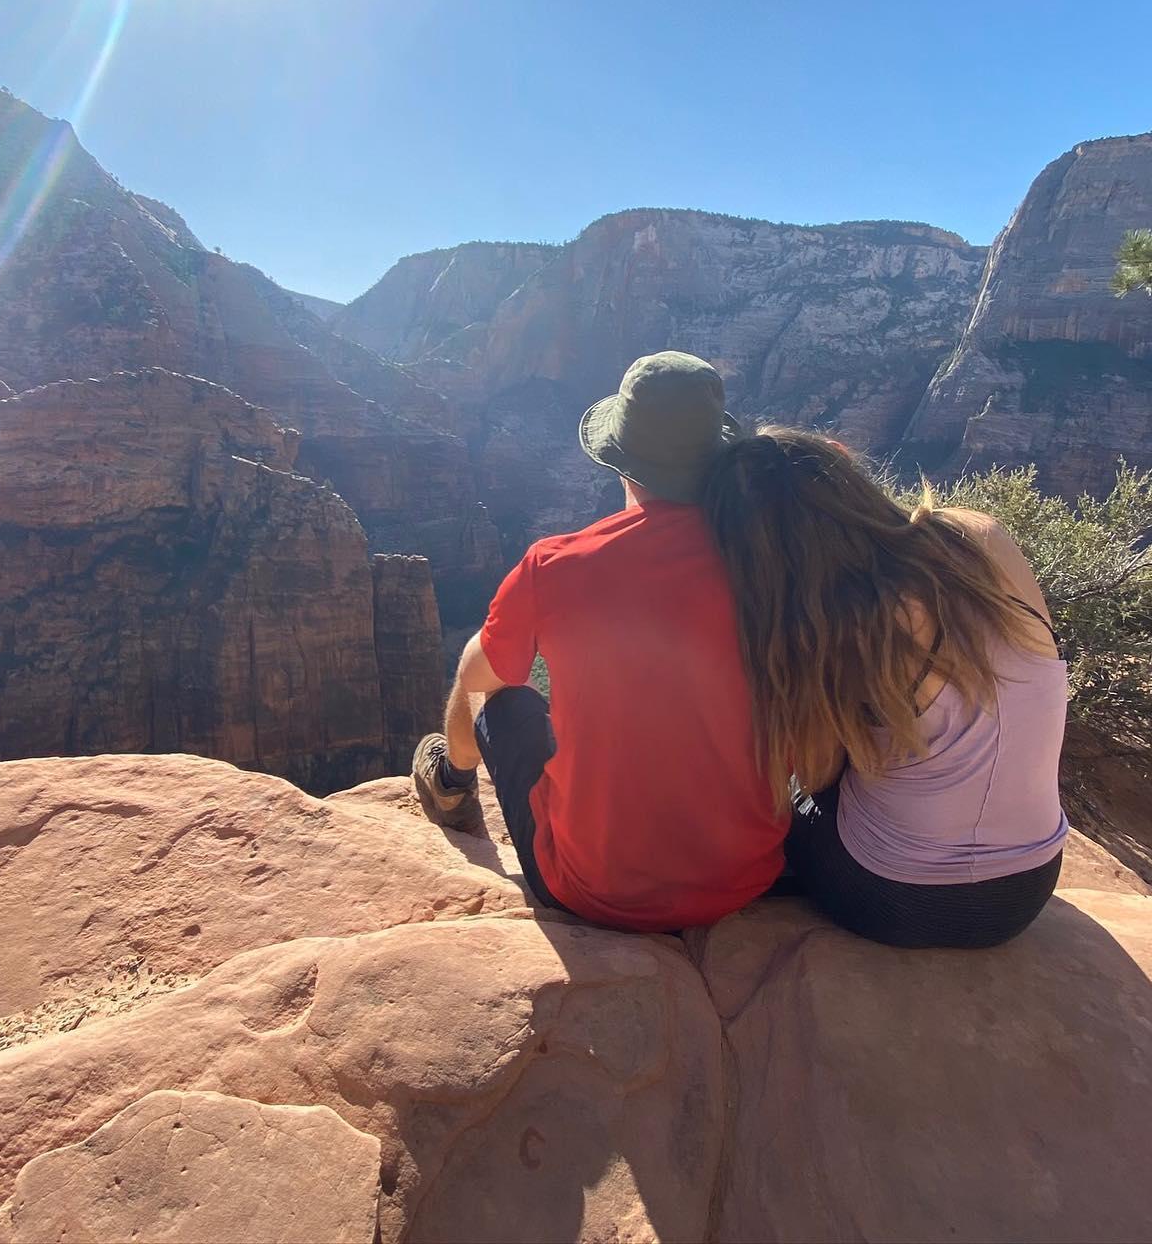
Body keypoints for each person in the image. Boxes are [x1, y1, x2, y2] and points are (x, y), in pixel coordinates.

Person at [410, 350, 788, 932]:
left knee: (494, 683)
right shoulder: (773, 557)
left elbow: (482, 677)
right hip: (746, 876)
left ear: (618, 458)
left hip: (595, 890)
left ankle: (451, 784)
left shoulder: (556, 564)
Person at [701, 426, 1068, 949]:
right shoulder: (979, 535)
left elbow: (817, 772)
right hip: (1031, 880)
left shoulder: (840, 627)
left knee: (785, 799)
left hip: (895, 896)